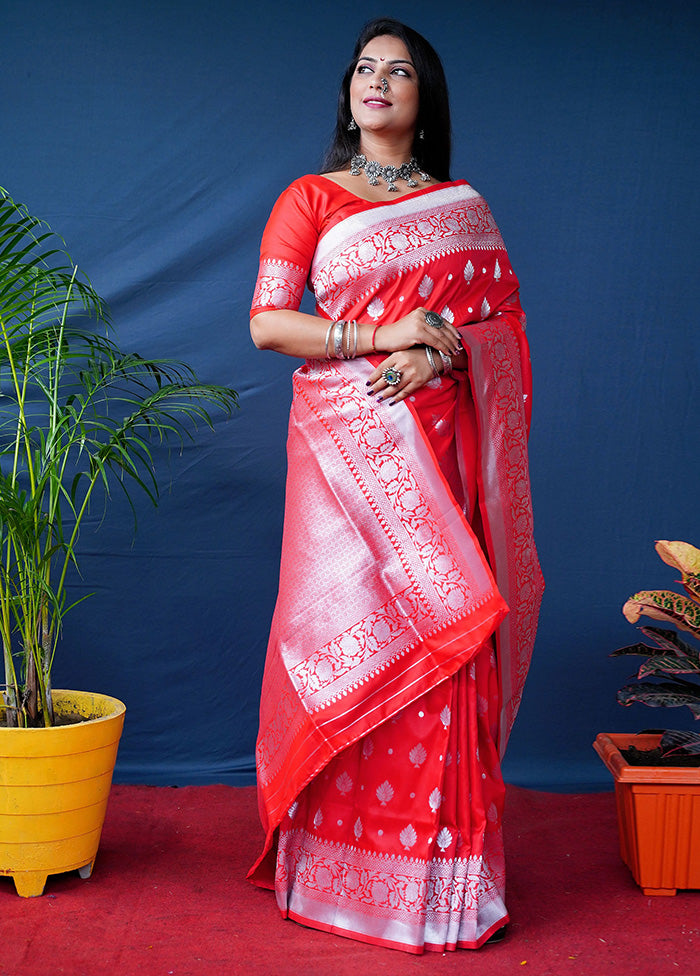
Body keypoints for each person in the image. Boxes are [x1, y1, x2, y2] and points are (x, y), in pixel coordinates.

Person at [248, 17, 543, 954]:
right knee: (355, 648)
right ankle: (338, 874)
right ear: (349, 90)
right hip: (350, 471)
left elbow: (503, 327)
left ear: (425, 96)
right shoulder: (309, 199)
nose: (378, 81)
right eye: (366, 68)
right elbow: (267, 324)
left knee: (440, 652)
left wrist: (446, 355)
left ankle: (436, 889)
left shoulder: (462, 206)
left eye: (399, 70)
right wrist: (388, 338)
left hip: (443, 466)